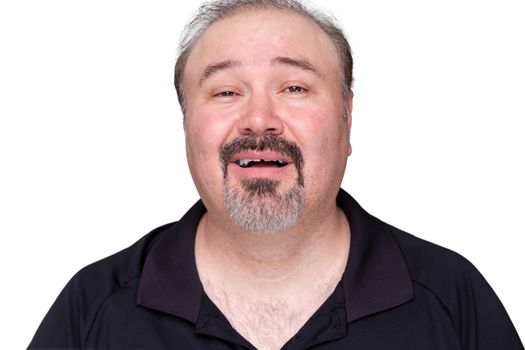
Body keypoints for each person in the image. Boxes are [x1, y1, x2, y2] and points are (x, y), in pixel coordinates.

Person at [28, 0, 524, 349]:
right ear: (185, 124)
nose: (259, 118)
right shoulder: (93, 309)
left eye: (294, 87)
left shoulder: (452, 299)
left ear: (348, 117)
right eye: (225, 92)